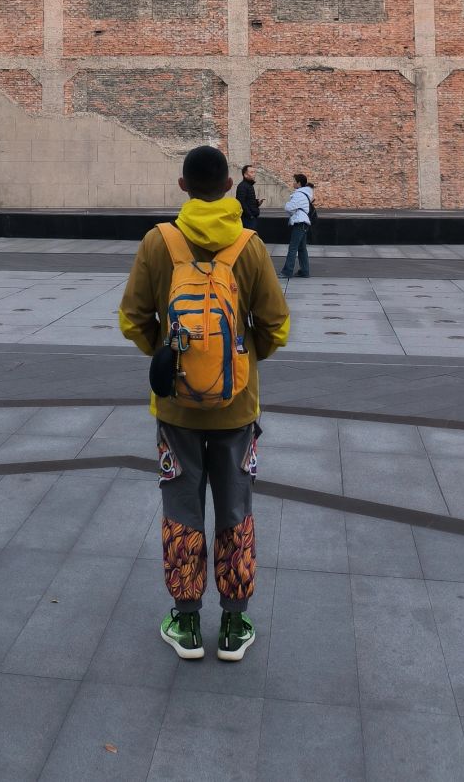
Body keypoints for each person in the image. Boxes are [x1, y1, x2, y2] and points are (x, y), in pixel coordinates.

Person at [118, 144, 290, 664]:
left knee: (182, 509)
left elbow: (132, 318)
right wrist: (241, 356)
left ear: (183, 186)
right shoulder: (249, 245)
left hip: (175, 414)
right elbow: (277, 326)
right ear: (229, 188)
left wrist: (170, 355)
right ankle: (235, 624)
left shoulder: (158, 242)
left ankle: (187, 622)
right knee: (235, 509)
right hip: (238, 411)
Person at [280, 173, 315, 280]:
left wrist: (286, 204)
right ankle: (304, 271)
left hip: (299, 222)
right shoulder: (305, 193)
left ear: (299, 183)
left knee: (293, 247)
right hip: (304, 222)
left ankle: (287, 271)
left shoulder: (299, 194)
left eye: (294, 181)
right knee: (302, 248)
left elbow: (289, 207)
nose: (293, 183)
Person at [235, 164, 261, 233]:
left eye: (254, 172)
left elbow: (248, 202)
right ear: (245, 175)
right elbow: (241, 202)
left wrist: (257, 203)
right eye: (251, 172)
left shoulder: (249, 185)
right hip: (247, 219)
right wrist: (250, 216)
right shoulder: (242, 186)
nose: (254, 174)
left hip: (251, 218)